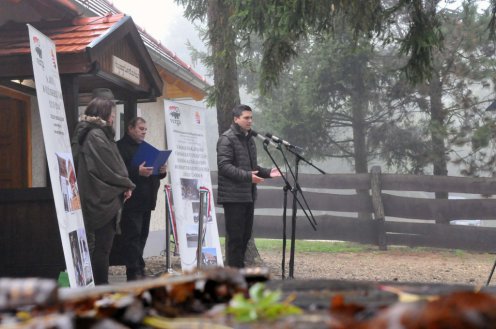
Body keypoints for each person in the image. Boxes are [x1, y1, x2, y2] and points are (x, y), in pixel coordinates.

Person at [71, 97, 135, 285]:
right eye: (112, 114)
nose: (114, 118)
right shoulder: (96, 136)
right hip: (99, 199)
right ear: (103, 114)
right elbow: (109, 168)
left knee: (101, 248)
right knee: (102, 248)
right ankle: (101, 287)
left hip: (99, 196)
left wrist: (125, 184)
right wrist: (126, 183)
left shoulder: (96, 134)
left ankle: (99, 286)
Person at [216, 104, 281, 268]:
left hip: (248, 195)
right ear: (236, 119)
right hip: (233, 197)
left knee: (245, 237)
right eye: (246, 118)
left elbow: (252, 168)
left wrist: (267, 173)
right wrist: (248, 177)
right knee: (235, 239)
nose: (250, 121)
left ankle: (239, 273)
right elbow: (224, 166)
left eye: (251, 118)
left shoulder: (250, 140)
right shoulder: (227, 138)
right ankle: (234, 277)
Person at [116, 117, 167, 281]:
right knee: (132, 236)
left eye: (145, 129)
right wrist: (137, 171)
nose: (144, 132)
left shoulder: (146, 148)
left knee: (143, 235)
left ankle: (139, 269)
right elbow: (118, 173)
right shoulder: (120, 147)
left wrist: (161, 170)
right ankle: (133, 272)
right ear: (130, 128)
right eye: (141, 129)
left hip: (146, 200)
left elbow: (154, 174)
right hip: (131, 200)